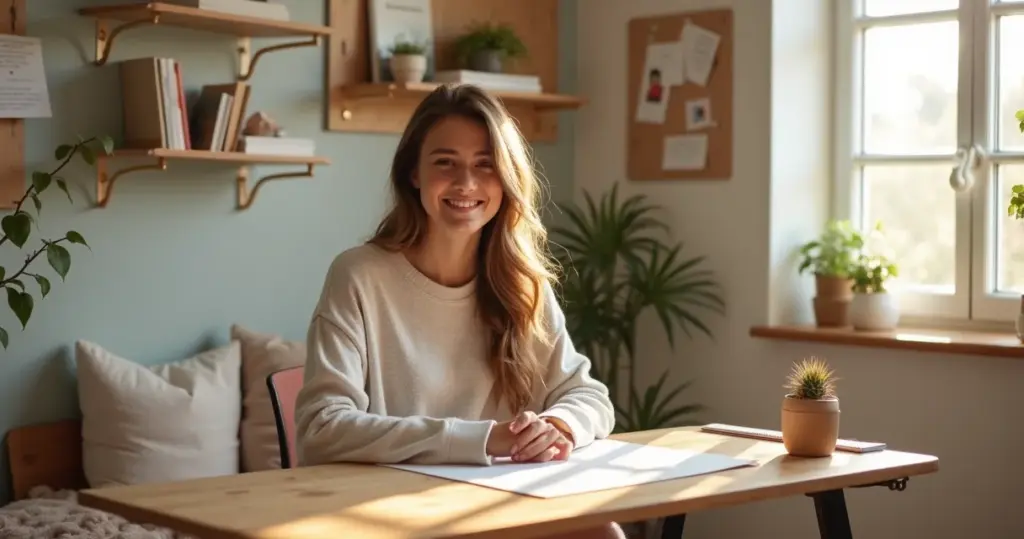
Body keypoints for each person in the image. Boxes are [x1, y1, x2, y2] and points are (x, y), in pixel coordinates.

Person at [293, 83, 622, 538]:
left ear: (506, 179)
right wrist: (485, 438)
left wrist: (555, 425)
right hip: (388, 514)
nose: (466, 183)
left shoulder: (523, 284)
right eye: (445, 163)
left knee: (601, 531)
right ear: (414, 173)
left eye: (485, 165)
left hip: (502, 509)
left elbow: (590, 398)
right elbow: (322, 426)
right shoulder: (359, 276)